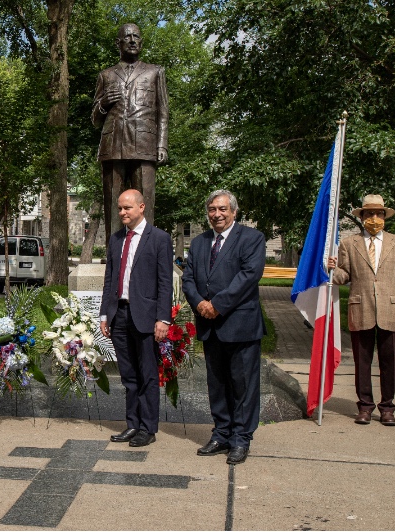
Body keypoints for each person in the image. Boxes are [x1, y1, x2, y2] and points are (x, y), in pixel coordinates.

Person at [181, 190, 265, 465]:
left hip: (240, 324)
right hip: (209, 325)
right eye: (212, 209)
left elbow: (248, 276)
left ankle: (241, 439)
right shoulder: (199, 243)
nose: (216, 214)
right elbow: (189, 278)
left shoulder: (252, 239)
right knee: (216, 385)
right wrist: (200, 304)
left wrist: (217, 304)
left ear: (234, 212)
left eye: (222, 209)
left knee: (243, 385)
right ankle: (221, 434)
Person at [327, 194, 395, 426]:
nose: (375, 218)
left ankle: (387, 408)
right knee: (362, 362)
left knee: (389, 361)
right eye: (370, 214)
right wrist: (332, 270)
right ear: (362, 217)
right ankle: (364, 406)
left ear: (384, 216)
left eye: (379, 214)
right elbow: (345, 276)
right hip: (361, 308)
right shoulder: (349, 244)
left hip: (391, 309)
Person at [100, 189, 173, 448]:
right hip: (119, 315)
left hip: (146, 317)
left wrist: (163, 319)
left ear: (141, 207)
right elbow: (110, 278)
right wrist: (104, 313)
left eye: (127, 208)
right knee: (128, 374)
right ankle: (132, 424)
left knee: (147, 374)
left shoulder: (159, 239)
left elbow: (165, 283)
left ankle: (148, 427)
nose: (122, 213)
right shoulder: (116, 239)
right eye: (120, 208)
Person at [92, 23, 169, 241]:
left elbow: (163, 111)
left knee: (145, 201)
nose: (133, 40)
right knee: (113, 201)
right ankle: (113, 248)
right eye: (128, 37)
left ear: (141, 42)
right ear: (118, 43)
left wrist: (161, 144)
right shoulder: (106, 75)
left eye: (137, 36)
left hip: (145, 144)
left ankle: (145, 247)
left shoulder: (155, 72)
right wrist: (103, 103)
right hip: (113, 145)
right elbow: (96, 120)